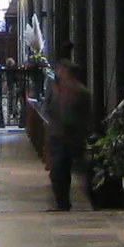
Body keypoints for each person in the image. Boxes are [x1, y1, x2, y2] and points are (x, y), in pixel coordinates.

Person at [44, 49, 95, 211]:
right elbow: (49, 109)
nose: (58, 73)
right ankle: (62, 204)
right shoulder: (56, 90)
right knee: (58, 172)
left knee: (84, 171)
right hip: (58, 137)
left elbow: (85, 115)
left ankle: (94, 200)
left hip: (74, 138)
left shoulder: (81, 92)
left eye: (61, 70)